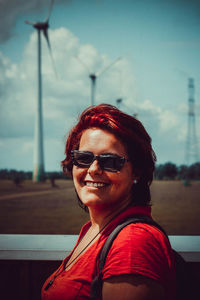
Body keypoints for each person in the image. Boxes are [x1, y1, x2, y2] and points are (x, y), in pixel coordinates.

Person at [41, 104, 176, 300]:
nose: (94, 169)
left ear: (136, 172)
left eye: (111, 161)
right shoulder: (93, 230)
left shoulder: (132, 243)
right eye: (83, 158)